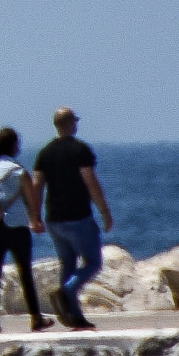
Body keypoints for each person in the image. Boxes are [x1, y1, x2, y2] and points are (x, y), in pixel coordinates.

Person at [33, 108, 108, 330]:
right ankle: (66, 291)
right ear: (70, 124)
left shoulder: (45, 153)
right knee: (93, 263)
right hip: (78, 216)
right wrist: (104, 211)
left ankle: (73, 315)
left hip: (54, 218)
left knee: (68, 262)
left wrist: (34, 216)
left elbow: (37, 186)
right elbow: (90, 182)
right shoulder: (80, 150)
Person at [0, 127, 46, 332]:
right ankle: (35, 317)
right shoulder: (18, 171)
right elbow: (31, 199)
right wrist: (36, 221)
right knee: (24, 272)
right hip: (16, 226)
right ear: (13, 145)